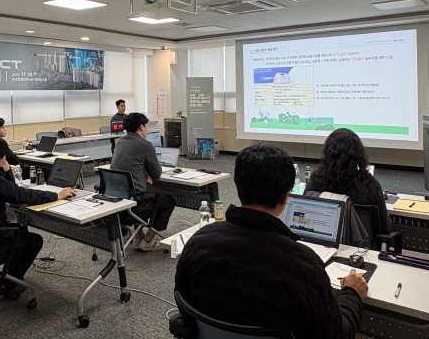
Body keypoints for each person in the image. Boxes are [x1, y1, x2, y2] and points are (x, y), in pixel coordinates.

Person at [175, 144, 366, 338]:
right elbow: (337, 335)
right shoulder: (303, 266)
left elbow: (185, 310)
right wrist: (352, 293)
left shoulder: (198, 243)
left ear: (238, 187)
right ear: (285, 197)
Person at [0, 135, 76, 298]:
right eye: (4, 157)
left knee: (20, 230)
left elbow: (10, 189)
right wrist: (57, 195)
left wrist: (5, 171)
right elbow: (20, 195)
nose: (6, 160)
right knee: (34, 241)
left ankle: (9, 276)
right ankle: (9, 282)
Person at [110, 112, 175, 251]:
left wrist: (143, 172)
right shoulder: (145, 145)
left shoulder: (120, 142)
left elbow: (129, 165)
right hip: (133, 207)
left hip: (116, 204)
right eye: (146, 126)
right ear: (141, 127)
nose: (146, 129)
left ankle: (138, 236)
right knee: (168, 201)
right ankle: (148, 240)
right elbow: (156, 173)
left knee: (138, 191)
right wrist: (146, 173)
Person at [307, 128, 392, 234]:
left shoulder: (316, 179)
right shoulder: (370, 184)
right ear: (358, 155)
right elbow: (385, 227)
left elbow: (302, 209)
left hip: (323, 239)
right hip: (362, 243)